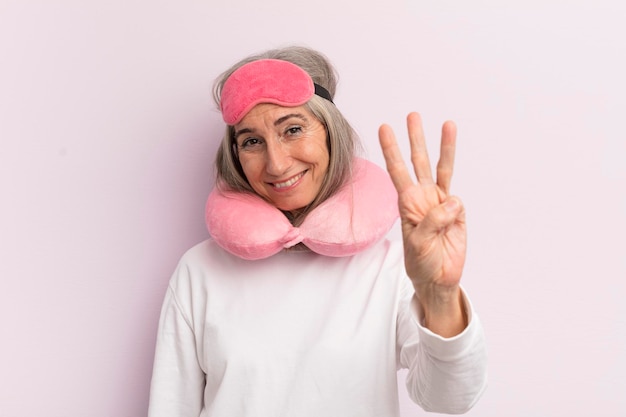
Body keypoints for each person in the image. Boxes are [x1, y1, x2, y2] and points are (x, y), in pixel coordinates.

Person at [148, 46, 487, 417]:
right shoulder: (199, 271)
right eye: (251, 141)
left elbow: (449, 399)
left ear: (330, 133)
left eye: (293, 129)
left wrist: (439, 294)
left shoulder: (392, 268)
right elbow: (170, 407)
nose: (276, 164)